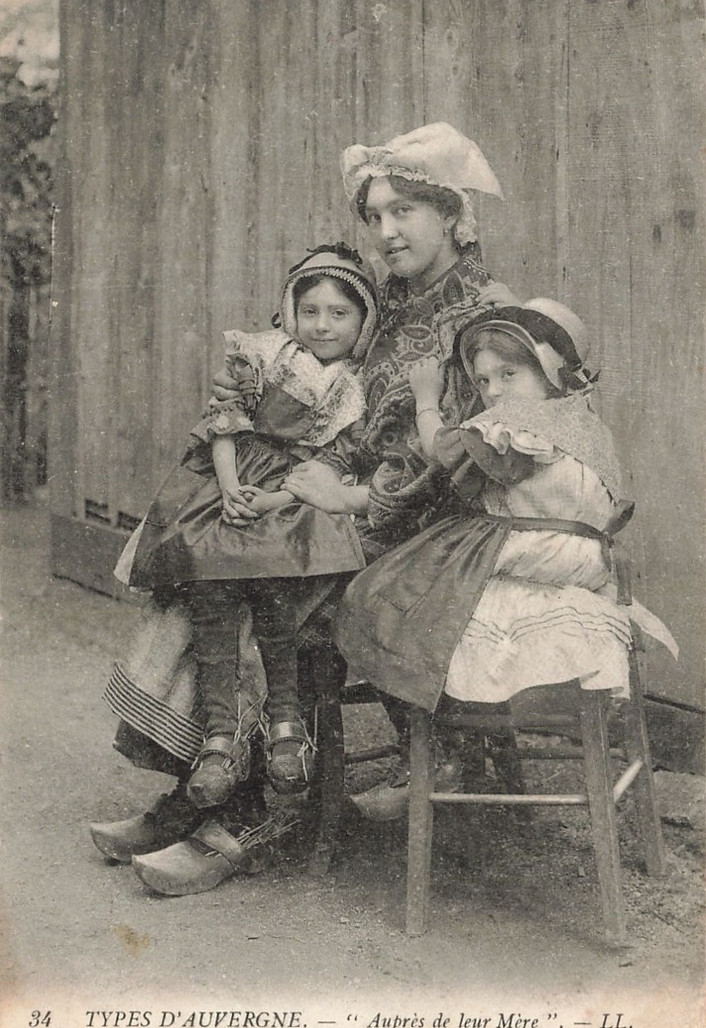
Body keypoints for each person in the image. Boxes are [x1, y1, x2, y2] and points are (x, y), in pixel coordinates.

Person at [93, 122, 509, 892]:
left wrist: (353, 496)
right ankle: (198, 784)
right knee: (213, 558)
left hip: (425, 528)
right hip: (326, 497)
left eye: (404, 213)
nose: (385, 232)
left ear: (452, 214)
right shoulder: (385, 301)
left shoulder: (486, 316)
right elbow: (310, 367)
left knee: (270, 595)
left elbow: (473, 454)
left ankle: (257, 807)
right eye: (375, 216)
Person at [333, 300, 678, 720]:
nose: (493, 391)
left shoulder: (520, 424)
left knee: (401, 593)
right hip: (587, 556)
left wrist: (427, 400)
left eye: (508, 374)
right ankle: (471, 733)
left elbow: (441, 452)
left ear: (550, 371)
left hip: (538, 552)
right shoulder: (582, 421)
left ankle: (452, 725)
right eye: (482, 380)